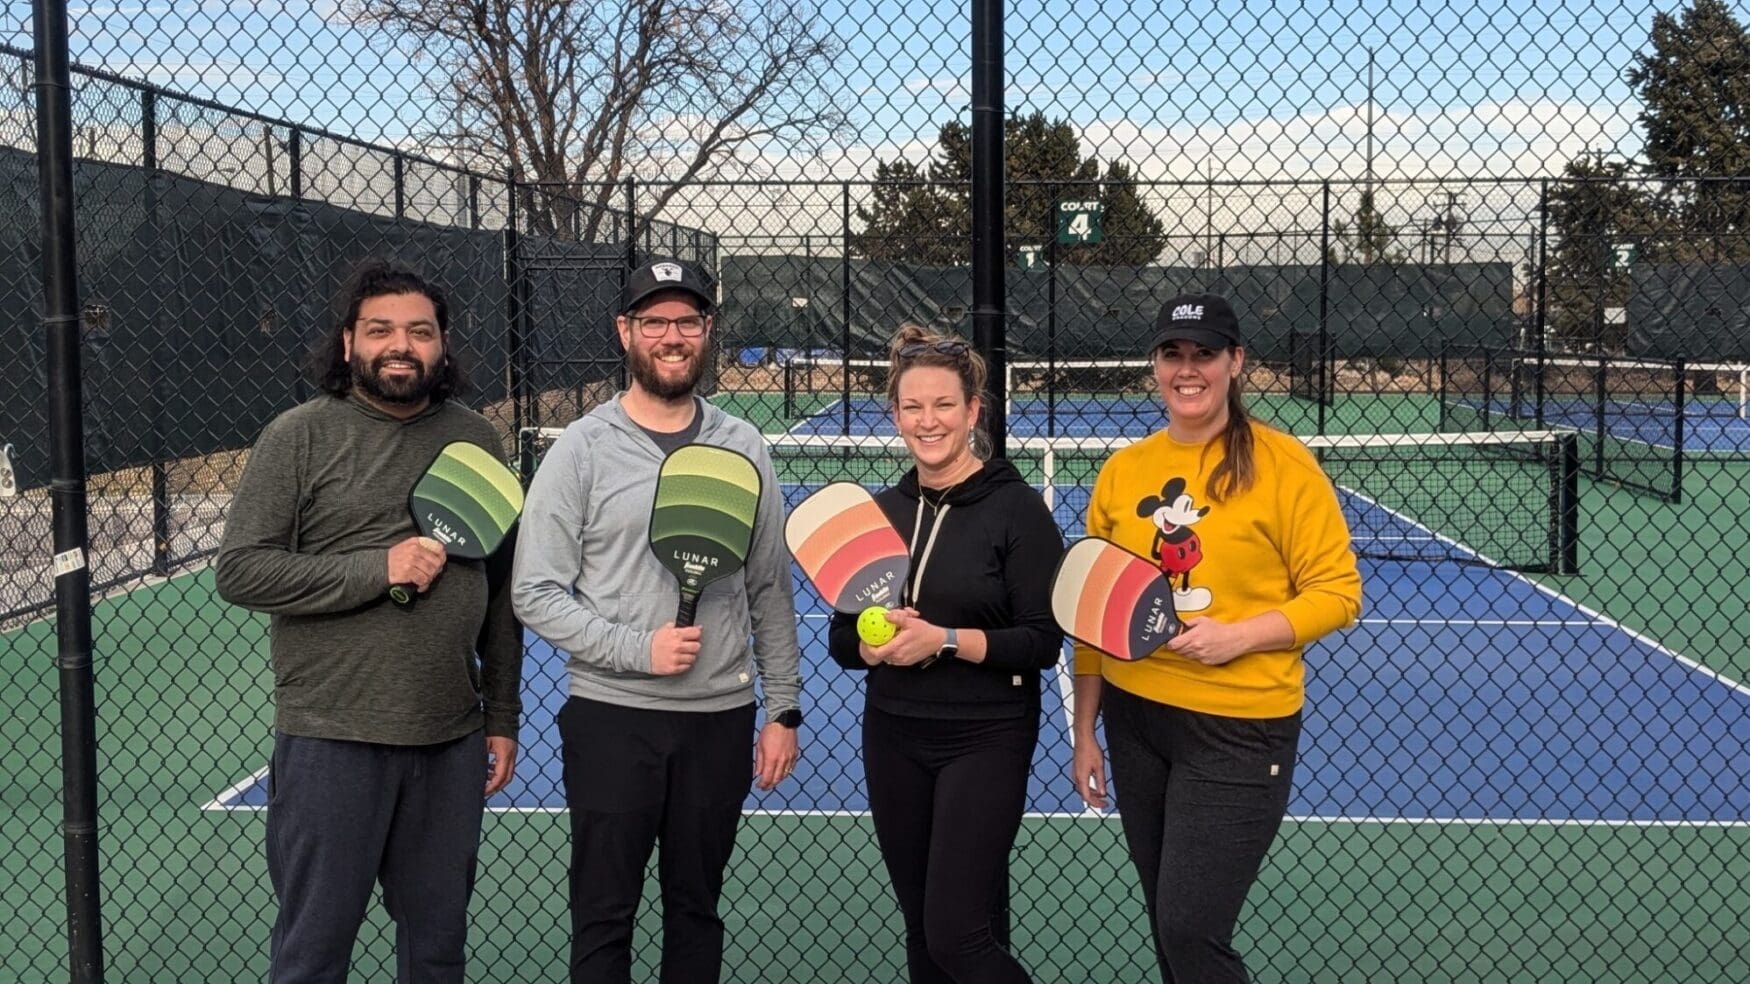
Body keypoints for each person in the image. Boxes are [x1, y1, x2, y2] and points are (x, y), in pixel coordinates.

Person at [215, 261, 523, 983]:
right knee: (313, 956)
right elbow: (243, 570)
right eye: (380, 329)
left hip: (449, 741)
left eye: (420, 331)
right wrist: (376, 569)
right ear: (349, 340)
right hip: (332, 741)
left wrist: (500, 715)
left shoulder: (477, 439)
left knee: (438, 953)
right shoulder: (298, 436)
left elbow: (502, 593)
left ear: (442, 346)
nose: (400, 345)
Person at [511, 257, 803, 984]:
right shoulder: (580, 449)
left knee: (695, 910)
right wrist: (638, 649)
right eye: (654, 321)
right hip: (613, 719)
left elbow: (768, 584)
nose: (671, 337)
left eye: (687, 322)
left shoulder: (744, 448)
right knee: (603, 916)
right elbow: (535, 590)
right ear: (625, 332)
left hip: (721, 719)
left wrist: (785, 709)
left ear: (706, 332)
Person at [1068, 293, 1362, 983]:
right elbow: (1096, 609)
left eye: (1204, 354)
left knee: (1190, 927)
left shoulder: (1284, 464)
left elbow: (1339, 593)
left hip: (1239, 727)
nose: (1187, 369)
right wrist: (1086, 728)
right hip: (1137, 721)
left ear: (1236, 362)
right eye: (1173, 354)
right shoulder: (1123, 471)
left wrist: (1239, 637)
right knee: (1169, 929)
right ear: (1156, 366)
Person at [826, 324, 1065, 983]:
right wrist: (873, 649)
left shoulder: (1018, 512)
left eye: (942, 406)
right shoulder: (879, 512)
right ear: (895, 415)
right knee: (923, 934)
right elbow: (841, 640)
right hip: (895, 733)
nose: (927, 421)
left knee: (957, 934)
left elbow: (1043, 641)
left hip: (986, 736)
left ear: (971, 412)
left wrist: (946, 640)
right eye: (912, 407)